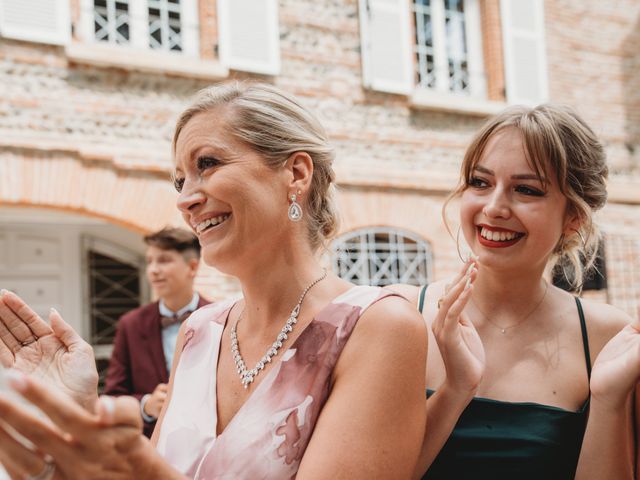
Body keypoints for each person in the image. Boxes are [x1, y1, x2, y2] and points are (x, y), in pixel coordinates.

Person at [0, 82, 428, 479]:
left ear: (296, 173)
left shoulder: (379, 327)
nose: (186, 199)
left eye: (208, 164)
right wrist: (72, 417)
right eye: (180, 180)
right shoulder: (199, 332)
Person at [391, 104, 640, 479]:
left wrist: (607, 401)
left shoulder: (609, 339)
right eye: (480, 182)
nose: (493, 207)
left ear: (573, 218)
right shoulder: (397, 316)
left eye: (526, 189)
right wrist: (456, 389)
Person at [105, 227, 210, 438]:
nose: (153, 269)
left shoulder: (221, 319)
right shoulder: (130, 325)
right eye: (149, 261)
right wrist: (146, 406)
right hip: (151, 447)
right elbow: (113, 396)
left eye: (163, 260)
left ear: (192, 267)